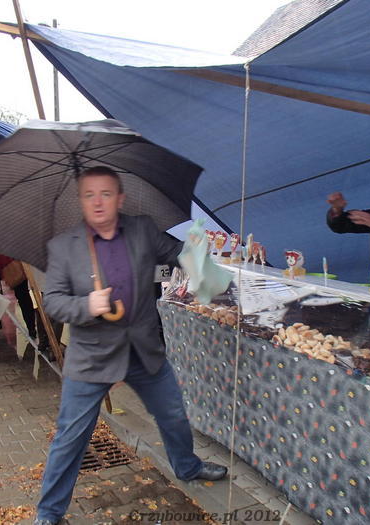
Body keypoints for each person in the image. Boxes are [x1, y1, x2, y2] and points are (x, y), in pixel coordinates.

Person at [33, 166, 227, 525]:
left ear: (120, 198)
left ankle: (187, 466)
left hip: (143, 350)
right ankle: (49, 512)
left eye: (105, 193)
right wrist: (87, 305)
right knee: (72, 435)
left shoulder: (143, 230)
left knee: (173, 414)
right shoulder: (64, 246)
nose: (98, 202)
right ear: (81, 201)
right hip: (92, 357)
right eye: (89, 195)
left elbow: (177, 253)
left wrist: (196, 249)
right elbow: (54, 301)